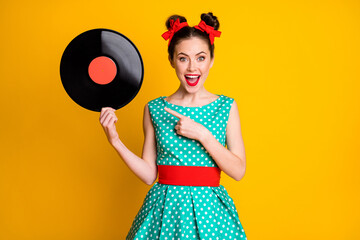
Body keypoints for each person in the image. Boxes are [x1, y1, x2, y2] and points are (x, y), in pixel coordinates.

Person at [99, 12, 247, 240]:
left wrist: (203, 135)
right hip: (164, 211)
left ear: (211, 60)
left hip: (211, 215)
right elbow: (149, 175)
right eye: (183, 58)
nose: (192, 68)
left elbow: (238, 171)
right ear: (171, 60)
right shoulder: (154, 108)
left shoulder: (226, 107)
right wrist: (115, 141)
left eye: (200, 58)